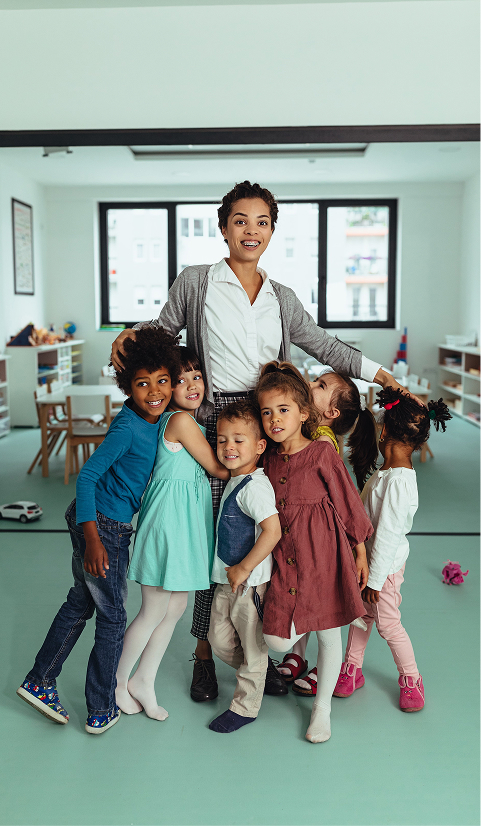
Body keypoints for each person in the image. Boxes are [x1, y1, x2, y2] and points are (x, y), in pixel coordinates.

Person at [109, 180, 413, 702]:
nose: (252, 231)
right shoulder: (197, 283)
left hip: (267, 431)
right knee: (210, 546)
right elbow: (162, 330)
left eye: (262, 222)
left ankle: (256, 654)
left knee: (270, 541)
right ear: (224, 227)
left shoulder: (281, 299)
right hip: (216, 428)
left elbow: (324, 343)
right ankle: (204, 653)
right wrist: (127, 336)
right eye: (241, 221)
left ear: (272, 231)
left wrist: (381, 376)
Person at [16, 328, 181, 734]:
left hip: (100, 522)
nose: (155, 391)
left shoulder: (152, 420)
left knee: (80, 603)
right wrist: (93, 538)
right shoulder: (128, 426)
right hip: (102, 526)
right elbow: (87, 477)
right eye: (143, 384)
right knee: (112, 616)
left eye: (163, 381)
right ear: (128, 386)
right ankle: (101, 706)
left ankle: (39, 680)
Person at [255, 362, 373, 743]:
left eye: (284, 411)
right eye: (267, 412)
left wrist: (359, 552)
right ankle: (295, 649)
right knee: (276, 640)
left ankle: (322, 709)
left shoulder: (322, 451)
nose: (274, 420)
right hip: (284, 555)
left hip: (324, 553)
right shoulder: (268, 457)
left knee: (327, 633)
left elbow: (348, 501)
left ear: (304, 414)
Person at [115, 347, 229, 720]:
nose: (192, 384)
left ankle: (143, 680)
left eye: (197, 376)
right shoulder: (179, 420)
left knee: (177, 606)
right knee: (153, 609)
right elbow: (217, 468)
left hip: (185, 523)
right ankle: (117, 682)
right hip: (168, 522)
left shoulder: (187, 421)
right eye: (180, 380)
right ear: (168, 390)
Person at [333, 387, 451, 712]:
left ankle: (412, 679)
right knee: (361, 618)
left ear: (384, 431)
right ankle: (352, 670)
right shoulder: (386, 473)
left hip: (381, 571)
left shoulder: (399, 483)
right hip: (368, 565)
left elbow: (386, 536)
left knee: (387, 623)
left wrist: (373, 580)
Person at [277, 370, 379, 693]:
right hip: (299, 535)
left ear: (331, 413)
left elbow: (344, 498)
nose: (310, 385)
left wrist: (358, 548)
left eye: (320, 386)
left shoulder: (321, 441)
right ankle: (298, 656)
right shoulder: (306, 428)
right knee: (302, 597)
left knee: (322, 608)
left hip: (323, 537)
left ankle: (326, 667)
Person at [207, 400, 282, 733]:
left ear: (260, 446)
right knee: (219, 640)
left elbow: (273, 530)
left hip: (249, 584)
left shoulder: (255, 487)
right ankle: (260, 671)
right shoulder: (235, 480)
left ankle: (245, 708)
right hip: (227, 582)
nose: (229, 446)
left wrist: (244, 568)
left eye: (239, 439)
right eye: (222, 440)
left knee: (252, 647)